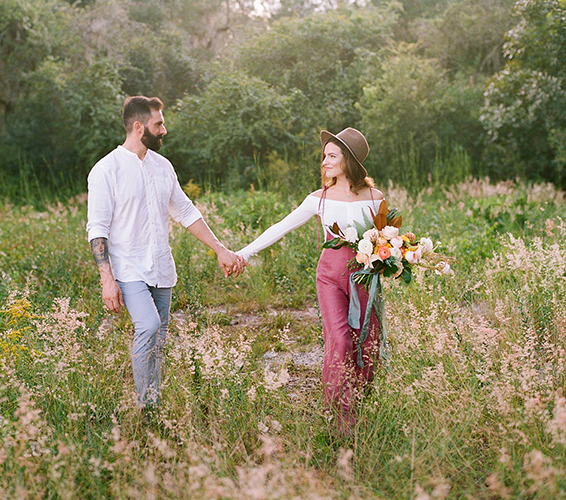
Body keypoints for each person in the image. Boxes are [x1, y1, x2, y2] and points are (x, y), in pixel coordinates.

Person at [86, 95, 245, 412]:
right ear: (138, 126)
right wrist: (107, 278)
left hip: (161, 267)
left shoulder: (163, 167)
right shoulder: (106, 170)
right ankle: (147, 410)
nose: (164, 130)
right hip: (128, 268)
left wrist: (221, 249)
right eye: (158, 124)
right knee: (148, 326)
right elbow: (97, 229)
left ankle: (153, 403)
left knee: (159, 341)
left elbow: (185, 212)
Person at [237, 127, 384, 434]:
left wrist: (396, 258)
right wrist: (244, 253)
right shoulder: (319, 199)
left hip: (364, 278)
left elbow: (384, 239)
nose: (324, 162)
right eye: (324, 156)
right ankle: (340, 415)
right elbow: (280, 227)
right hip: (330, 276)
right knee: (341, 340)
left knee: (366, 341)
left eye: (332, 156)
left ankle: (362, 399)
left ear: (350, 160)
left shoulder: (375, 198)